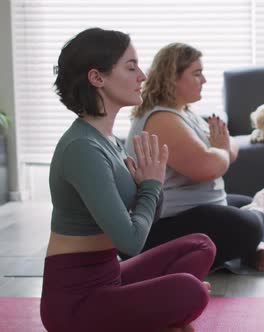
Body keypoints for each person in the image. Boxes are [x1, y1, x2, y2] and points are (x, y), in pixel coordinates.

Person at [41, 28, 215, 332]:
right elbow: (131, 243)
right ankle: (162, 316)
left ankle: (156, 316)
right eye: (131, 66)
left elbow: (143, 223)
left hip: (110, 276)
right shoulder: (83, 148)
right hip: (76, 302)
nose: (143, 76)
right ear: (98, 78)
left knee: (200, 246)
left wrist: (151, 186)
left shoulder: (107, 139)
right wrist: (150, 186)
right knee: (192, 291)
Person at [126, 43, 264, 271]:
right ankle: (253, 234)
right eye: (197, 74)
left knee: (249, 203)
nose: (204, 80)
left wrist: (221, 149)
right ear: (172, 78)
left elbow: (228, 147)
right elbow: (207, 168)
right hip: (165, 225)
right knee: (251, 222)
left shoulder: (184, 112)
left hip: (198, 209)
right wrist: (221, 150)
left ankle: (256, 248)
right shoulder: (162, 120)